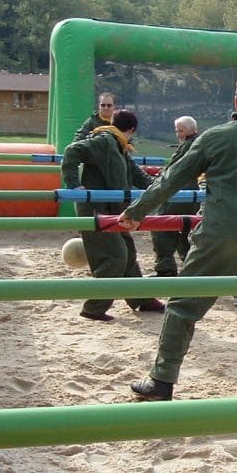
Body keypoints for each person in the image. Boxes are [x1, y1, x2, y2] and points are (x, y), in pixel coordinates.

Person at [117, 74, 237, 400]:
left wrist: (136, 212)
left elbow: (170, 180)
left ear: (236, 102)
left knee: (183, 306)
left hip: (218, 235)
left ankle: (162, 381)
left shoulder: (215, 138)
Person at [60, 109, 166, 321]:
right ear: (132, 130)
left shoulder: (120, 147)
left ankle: (141, 299)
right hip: (97, 211)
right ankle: (94, 307)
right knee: (115, 256)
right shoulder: (104, 142)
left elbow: (138, 176)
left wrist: (165, 186)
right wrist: (74, 184)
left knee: (128, 251)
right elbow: (72, 151)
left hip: (115, 212)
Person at [150, 116, 199, 277]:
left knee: (160, 224)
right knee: (182, 232)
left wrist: (159, 178)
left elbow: (174, 171)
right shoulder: (197, 144)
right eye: (177, 130)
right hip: (193, 195)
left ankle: (166, 268)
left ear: (192, 130)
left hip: (182, 193)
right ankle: (192, 267)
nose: (178, 134)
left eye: (181, 130)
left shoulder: (188, 146)